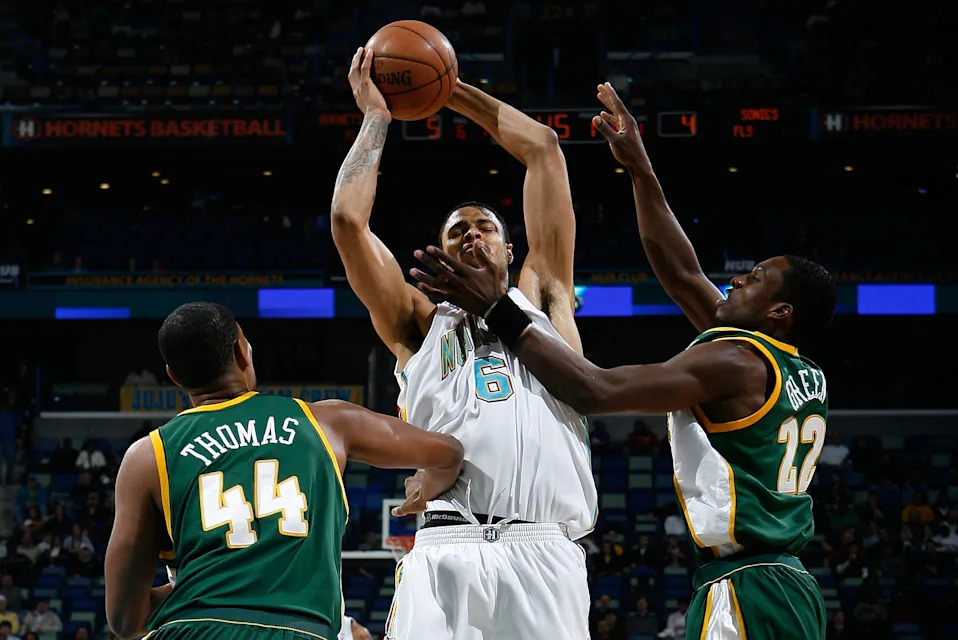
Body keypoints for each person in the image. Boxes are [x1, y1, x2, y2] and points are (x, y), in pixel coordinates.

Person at [410, 82, 835, 639]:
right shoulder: (783, 362)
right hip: (782, 581)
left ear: (779, 312)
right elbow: (681, 273)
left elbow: (596, 391)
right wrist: (639, 169)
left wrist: (499, 309)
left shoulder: (734, 360)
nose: (734, 279)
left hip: (748, 584)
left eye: (753, 279)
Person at [330, 48, 595, 640]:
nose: (472, 235)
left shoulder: (546, 298)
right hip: (446, 543)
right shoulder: (420, 323)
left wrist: (446, 89)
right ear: (444, 255)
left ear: (509, 250)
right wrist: (378, 116)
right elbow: (348, 224)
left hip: (545, 547)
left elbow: (544, 150)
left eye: (486, 228)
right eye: (457, 232)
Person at [104, 302, 463, 640]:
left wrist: (211, 581)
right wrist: (426, 484)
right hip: (299, 629)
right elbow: (448, 452)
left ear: (173, 376)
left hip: (192, 627)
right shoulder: (327, 422)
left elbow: (125, 619)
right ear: (242, 353)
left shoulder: (147, 457)